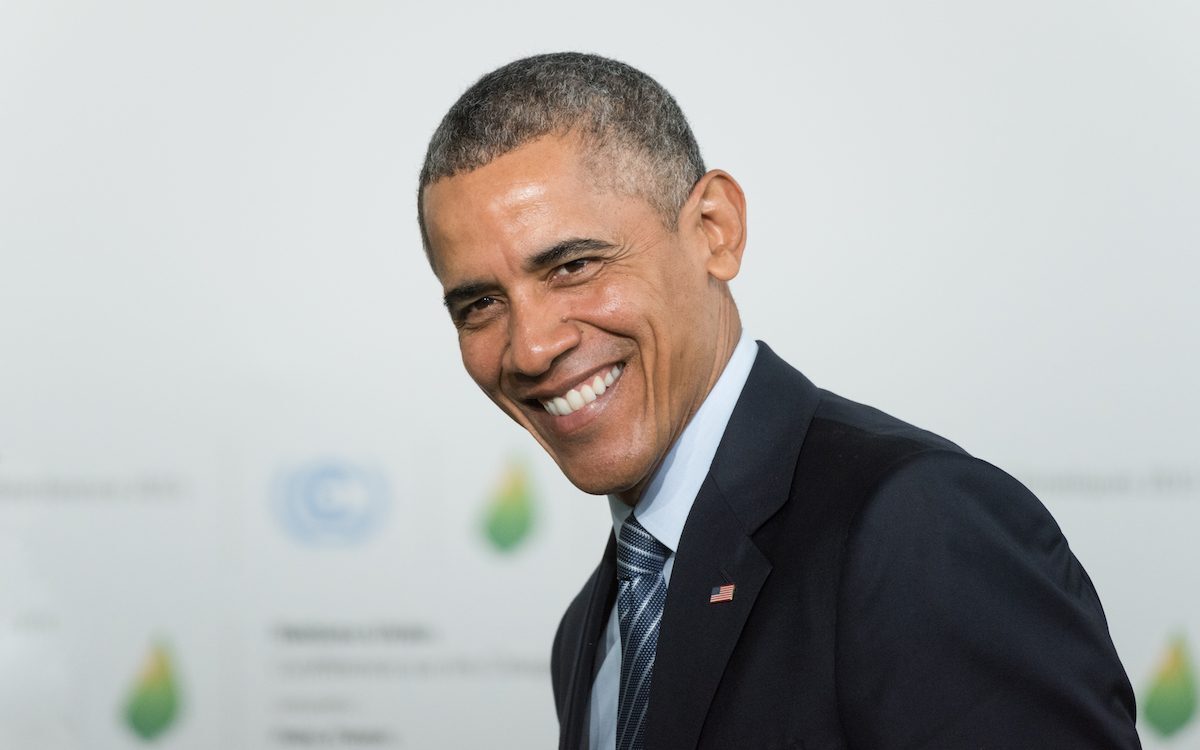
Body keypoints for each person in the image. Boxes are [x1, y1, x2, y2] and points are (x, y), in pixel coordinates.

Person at [417, 52, 1140, 750]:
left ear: (714, 232)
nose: (531, 348)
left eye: (573, 265)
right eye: (480, 304)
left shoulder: (915, 524)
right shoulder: (589, 630)